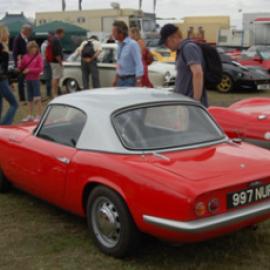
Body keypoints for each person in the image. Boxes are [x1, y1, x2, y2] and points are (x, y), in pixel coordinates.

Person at [159, 24, 208, 107]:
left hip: (190, 103)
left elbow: (198, 73)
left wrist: (196, 102)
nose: (166, 46)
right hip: (185, 102)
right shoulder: (181, 50)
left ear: (173, 37)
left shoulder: (188, 48)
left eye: (165, 42)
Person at [112, 21, 144, 87]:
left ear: (121, 33)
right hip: (120, 80)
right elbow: (119, 63)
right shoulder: (119, 45)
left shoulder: (132, 44)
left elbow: (138, 63)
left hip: (130, 80)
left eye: (114, 32)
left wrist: (138, 81)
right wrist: (116, 79)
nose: (112, 34)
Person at [19, 41, 43, 122]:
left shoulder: (39, 57)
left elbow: (40, 69)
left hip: (35, 80)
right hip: (28, 80)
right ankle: (30, 115)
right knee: (29, 99)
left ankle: (39, 115)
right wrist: (19, 63)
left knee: (37, 98)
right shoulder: (25, 56)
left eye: (35, 48)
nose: (33, 50)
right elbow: (21, 67)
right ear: (28, 49)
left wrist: (30, 70)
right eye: (31, 48)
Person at [0, 26, 18, 125]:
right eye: (7, 32)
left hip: (3, 79)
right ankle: (4, 126)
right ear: (2, 33)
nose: (9, 34)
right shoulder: (2, 47)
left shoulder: (4, 46)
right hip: (2, 80)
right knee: (14, 104)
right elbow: (5, 68)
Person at [13, 24, 32, 104]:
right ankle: (22, 100)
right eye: (29, 31)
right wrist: (16, 65)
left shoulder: (26, 38)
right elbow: (15, 52)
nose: (30, 32)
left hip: (28, 62)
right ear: (25, 30)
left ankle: (29, 97)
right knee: (21, 81)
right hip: (21, 63)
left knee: (28, 80)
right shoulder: (18, 39)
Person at [50, 28, 65, 97]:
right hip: (56, 62)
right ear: (60, 33)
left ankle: (55, 92)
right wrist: (60, 62)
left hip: (55, 61)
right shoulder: (55, 40)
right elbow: (56, 52)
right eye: (63, 33)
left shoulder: (54, 39)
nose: (63, 35)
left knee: (57, 77)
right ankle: (54, 93)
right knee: (55, 77)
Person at [41, 33, 53, 99]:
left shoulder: (43, 44)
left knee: (48, 78)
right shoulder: (47, 45)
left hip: (44, 62)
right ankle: (49, 93)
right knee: (49, 78)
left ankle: (49, 93)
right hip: (48, 62)